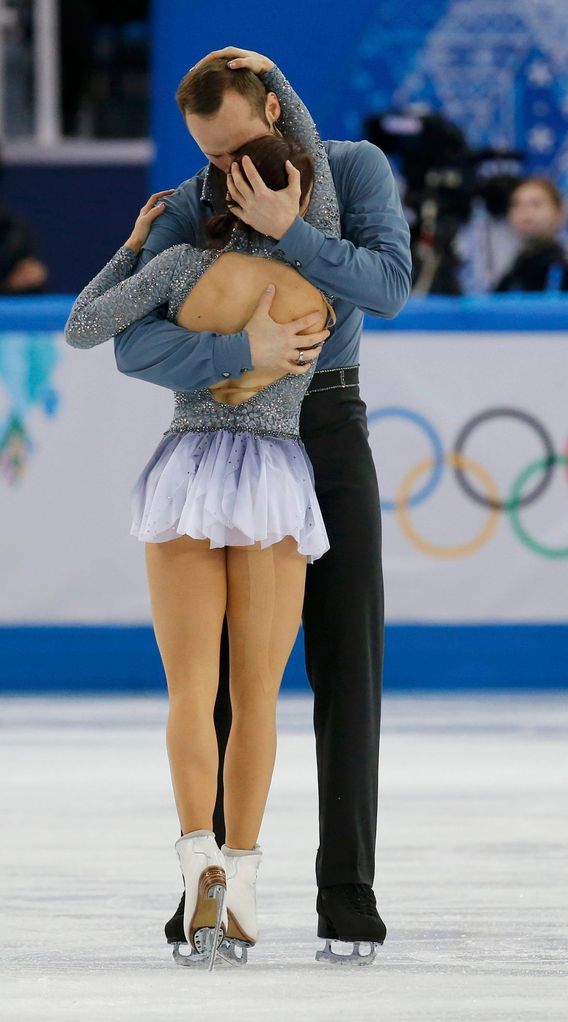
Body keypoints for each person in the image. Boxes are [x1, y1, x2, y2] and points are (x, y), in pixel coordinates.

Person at [113, 46, 412, 965]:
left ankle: (347, 893)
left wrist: (289, 233)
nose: (226, 169)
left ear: (275, 111)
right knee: (219, 681)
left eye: (240, 143)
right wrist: (240, 351)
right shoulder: (191, 205)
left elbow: (388, 287)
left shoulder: (355, 168)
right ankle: (209, 887)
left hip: (328, 431)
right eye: (210, 152)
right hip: (233, 437)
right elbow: (129, 345)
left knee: (346, 667)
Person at [65, 83, 340, 969]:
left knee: (193, 691)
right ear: (293, 195)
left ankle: (198, 867)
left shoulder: (182, 267)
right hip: (270, 482)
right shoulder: (316, 287)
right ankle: (247, 887)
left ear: (222, 196)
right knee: (256, 695)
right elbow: (319, 182)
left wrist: (137, 243)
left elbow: (84, 328)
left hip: (188, 470)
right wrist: (277, 98)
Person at [494, 177, 568, 293]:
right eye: (516, 205)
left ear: (559, 213)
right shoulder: (509, 280)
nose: (525, 211)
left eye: (536, 204)